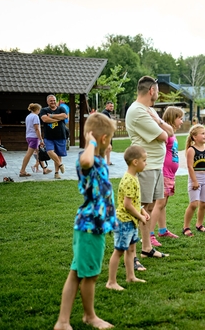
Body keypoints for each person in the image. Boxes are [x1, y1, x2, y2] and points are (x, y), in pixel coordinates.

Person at [53, 113, 117, 330]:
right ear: (103, 138)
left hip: (92, 227)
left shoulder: (98, 161)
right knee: (90, 275)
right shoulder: (86, 159)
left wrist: (103, 152)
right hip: (90, 228)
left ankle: (63, 321)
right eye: (109, 138)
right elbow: (86, 160)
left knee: (77, 273)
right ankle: (89, 316)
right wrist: (91, 142)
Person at [125, 76, 173, 260]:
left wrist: (158, 120)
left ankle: (146, 248)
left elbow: (170, 131)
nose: (158, 93)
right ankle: (132, 255)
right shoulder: (138, 111)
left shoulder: (148, 110)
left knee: (150, 207)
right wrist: (160, 122)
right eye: (158, 90)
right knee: (139, 208)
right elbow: (165, 136)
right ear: (152, 90)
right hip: (145, 166)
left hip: (155, 165)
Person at [106, 145, 150, 291]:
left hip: (131, 221)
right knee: (119, 251)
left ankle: (130, 277)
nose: (146, 163)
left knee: (131, 249)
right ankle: (111, 282)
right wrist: (140, 217)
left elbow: (135, 202)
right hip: (124, 221)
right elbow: (127, 205)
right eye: (144, 160)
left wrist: (142, 211)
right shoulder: (129, 180)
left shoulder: (133, 177)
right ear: (135, 162)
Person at [148, 107, 184, 244]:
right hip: (164, 173)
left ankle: (162, 230)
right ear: (172, 118)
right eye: (180, 118)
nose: (181, 121)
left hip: (170, 174)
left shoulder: (172, 134)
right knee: (160, 202)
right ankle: (149, 235)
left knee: (164, 203)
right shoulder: (164, 133)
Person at [182, 124, 205, 237]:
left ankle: (199, 224)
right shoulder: (191, 150)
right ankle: (186, 227)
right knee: (194, 204)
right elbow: (189, 167)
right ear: (194, 137)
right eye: (202, 133)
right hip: (195, 179)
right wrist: (194, 181)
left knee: (203, 204)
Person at [40, 95, 68, 179]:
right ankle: (60, 164)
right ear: (47, 102)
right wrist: (58, 119)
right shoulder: (44, 110)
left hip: (60, 135)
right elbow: (45, 119)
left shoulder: (61, 109)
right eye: (50, 101)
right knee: (49, 151)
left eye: (54, 100)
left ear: (56, 101)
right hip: (49, 136)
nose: (52, 102)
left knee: (59, 154)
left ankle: (56, 173)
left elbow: (64, 116)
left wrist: (51, 116)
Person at [19, 103, 48, 177]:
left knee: (39, 153)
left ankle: (44, 169)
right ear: (37, 110)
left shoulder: (28, 116)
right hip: (34, 138)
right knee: (28, 154)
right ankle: (22, 171)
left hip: (28, 136)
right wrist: (41, 139)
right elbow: (37, 129)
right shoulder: (35, 117)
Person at [101, 101, 115, 166]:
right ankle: (103, 161)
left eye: (112, 106)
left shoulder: (107, 113)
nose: (112, 107)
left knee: (109, 148)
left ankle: (108, 161)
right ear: (106, 106)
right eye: (110, 106)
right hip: (105, 133)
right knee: (106, 148)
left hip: (107, 133)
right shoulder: (105, 113)